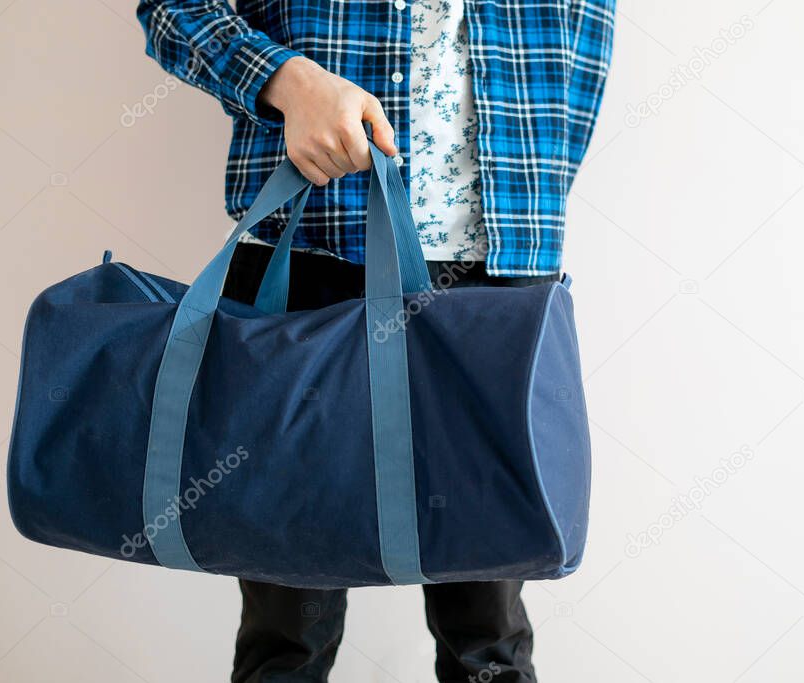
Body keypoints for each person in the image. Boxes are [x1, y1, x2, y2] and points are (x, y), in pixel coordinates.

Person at [137, 0, 615, 679]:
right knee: (287, 629)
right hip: (304, 259)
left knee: (489, 634)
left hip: (496, 274)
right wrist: (285, 78)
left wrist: (534, 189)